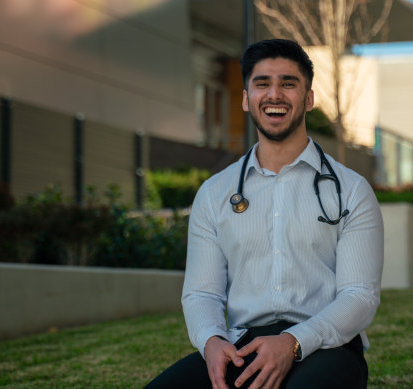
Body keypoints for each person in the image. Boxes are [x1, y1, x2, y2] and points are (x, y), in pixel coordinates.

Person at [145, 38, 384, 389]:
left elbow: (360, 296)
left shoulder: (352, 190)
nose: (275, 95)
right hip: (242, 346)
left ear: (309, 98)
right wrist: (212, 341)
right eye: (262, 84)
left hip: (327, 346)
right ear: (246, 99)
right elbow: (202, 293)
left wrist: (292, 342)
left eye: (289, 83)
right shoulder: (215, 194)